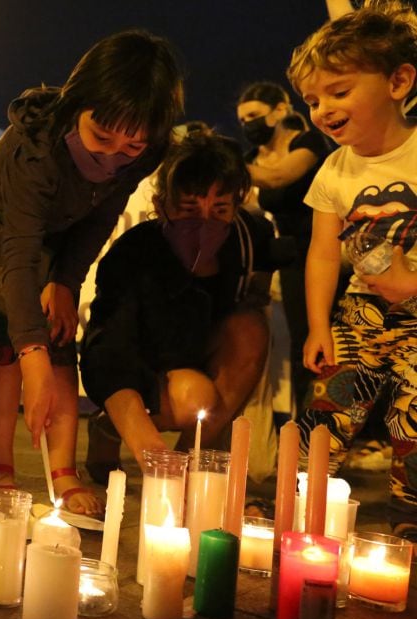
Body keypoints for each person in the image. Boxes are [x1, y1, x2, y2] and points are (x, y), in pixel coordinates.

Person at [0, 30, 184, 514]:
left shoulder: (147, 149)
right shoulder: (34, 147)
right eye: (102, 136)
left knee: (58, 335)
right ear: (78, 101)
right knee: (5, 339)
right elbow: (18, 250)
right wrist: (28, 354)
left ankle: (62, 472)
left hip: (61, 236)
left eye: (131, 146)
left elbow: (102, 215)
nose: (112, 155)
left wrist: (65, 283)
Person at [288, 1, 417, 539]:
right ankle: (298, 506)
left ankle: (408, 522)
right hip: (359, 316)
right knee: (327, 412)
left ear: (398, 81)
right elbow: (322, 253)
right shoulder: (334, 170)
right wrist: (319, 325)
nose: (322, 110)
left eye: (339, 92)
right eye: (314, 100)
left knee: (413, 423)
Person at [80, 129, 278, 473]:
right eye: (189, 209)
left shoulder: (244, 243)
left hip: (195, 360)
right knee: (195, 397)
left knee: (251, 327)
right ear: (161, 205)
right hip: (140, 368)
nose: (205, 223)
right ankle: (109, 426)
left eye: (219, 209)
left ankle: (189, 464)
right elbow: (109, 350)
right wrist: (148, 449)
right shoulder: (133, 252)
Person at [236, 81, 332, 411]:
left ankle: (365, 433)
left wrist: (230, 165)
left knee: (335, 338)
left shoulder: (308, 142)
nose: (248, 124)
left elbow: (279, 177)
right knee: (301, 339)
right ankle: (307, 425)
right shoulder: (252, 158)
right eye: (242, 119)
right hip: (292, 254)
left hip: (327, 248)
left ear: (279, 110)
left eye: (254, 115)